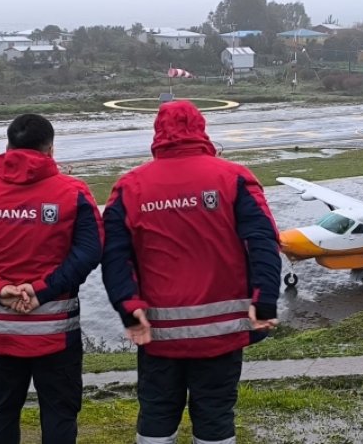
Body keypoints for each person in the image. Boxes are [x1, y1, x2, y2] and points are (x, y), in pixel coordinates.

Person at [102, 100, 281, 444]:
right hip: (222, 331)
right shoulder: (234, 178)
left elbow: (113, 255)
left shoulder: (129, 187)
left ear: (158, 134)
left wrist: (128, 307)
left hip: (157, 332)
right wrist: (265, 300)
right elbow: (263, 242)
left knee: (156, 412)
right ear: (201, 130)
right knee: (215, 414)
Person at [0, 113, 103, 444]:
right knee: (59, 414)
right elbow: (89, 251)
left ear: (8, 146)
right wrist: (42, 290)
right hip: (57, 333)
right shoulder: (73, 192)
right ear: (51, 149)